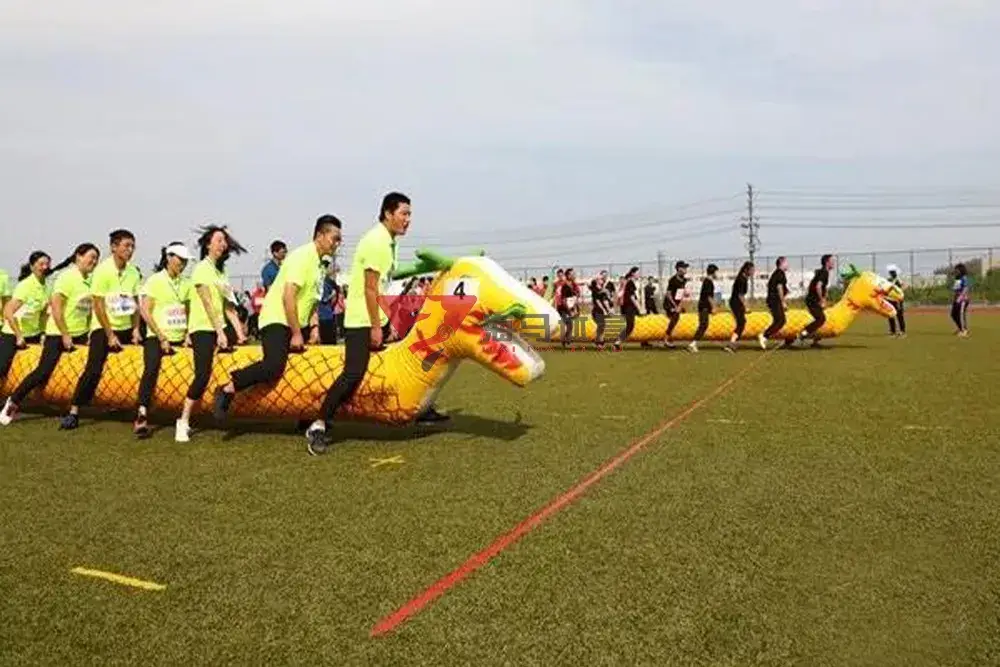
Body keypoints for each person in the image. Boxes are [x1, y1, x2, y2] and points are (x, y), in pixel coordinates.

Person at [306, 193, 409, 454]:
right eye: (404, 214)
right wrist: (375, 327)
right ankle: (318, 424)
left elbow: (382, 287)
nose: (408, 220)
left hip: (374, 316)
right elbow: (370, 289)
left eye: (409, 215)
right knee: (353, 373)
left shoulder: (390, 242)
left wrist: (387, 322)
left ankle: (419, 408)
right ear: (388, 214)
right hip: (361, 319)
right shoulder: (376, 241)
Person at [213, 216, 342, 421]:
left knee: (305, 367)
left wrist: (314, 327)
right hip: (277, 317)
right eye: (335, 238)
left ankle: (305, 416)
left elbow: (313, 298)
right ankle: (228, 388)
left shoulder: (321, 264)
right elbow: (288, 296)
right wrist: (297, 334)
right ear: (320, 235)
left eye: (339, 239)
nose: (337, 244)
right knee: (274, 366)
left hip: (298, 321)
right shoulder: (302, 257)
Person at [1, 244, 100, 426]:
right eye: (91, 257)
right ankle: (13, 401)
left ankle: (74, 406)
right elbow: (56, 309)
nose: (94, 261)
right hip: (57, 333)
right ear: (78, 257)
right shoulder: (65, 278)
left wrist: (89, 333)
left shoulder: (89, 280)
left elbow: (86, 310)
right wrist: (64, 334)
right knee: (43, 371)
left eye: (96, 259)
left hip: (78, 333)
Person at [59, 229, 142, 430]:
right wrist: (110, 335)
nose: (130, 250)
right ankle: (74, 411)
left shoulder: (133, 272)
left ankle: (130, 407)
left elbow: (135, 302)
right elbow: (98, 305)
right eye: (126, 246)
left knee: (133, 365)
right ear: (114, 247)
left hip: (125, 326)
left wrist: (136, 329)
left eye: (133, 246)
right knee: (93, 368)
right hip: (104, 328)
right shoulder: (102, 271)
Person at [175, 225, 246, 443]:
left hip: (219, 326)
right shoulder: (201, 269)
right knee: (202, 374)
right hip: (203, 327)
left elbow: (228, 306)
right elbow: (207, 303)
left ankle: (223, 396)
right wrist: (220, 332)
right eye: (218, 240)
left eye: (224, 241)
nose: (223, 245)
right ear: (208, 244)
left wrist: (239, 332)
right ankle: (183, 421)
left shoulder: (221, 272)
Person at [133, 242, 192, 439]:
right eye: (180, 259)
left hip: (180, 338)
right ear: (169, 258)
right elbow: (145, 311)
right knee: (151, 369)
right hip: (157, 337)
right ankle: (142, 413)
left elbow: (189, 310)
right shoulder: (155, 281)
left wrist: (188, 334)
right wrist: (161, 337)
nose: (183, 264)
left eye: (185, 261)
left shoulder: (186, 283)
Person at [0, 251, 53, 381]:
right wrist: (18, 336)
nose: (45, 267)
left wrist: (44, 333)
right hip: (13, 333)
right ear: (32, 266)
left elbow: (42, 314)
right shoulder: (25, 286)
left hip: (33, 333)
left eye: (47, 264)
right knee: (2, 367)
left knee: (35, 368)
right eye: (41, 264)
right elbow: (8, 311)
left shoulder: (47, 287)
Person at [799, 254, 834, 346]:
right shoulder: (824, 272)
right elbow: (818, 286)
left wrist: (824, 298)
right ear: (827, 262)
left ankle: (815, 341)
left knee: (822, 320)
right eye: (832, 261)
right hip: (812, 301)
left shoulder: (823, 272)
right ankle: (803, 333)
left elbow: (820, 287)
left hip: (814, 300)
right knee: (821, 319)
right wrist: (821, 300)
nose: (833, 263)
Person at [760, 256, 789, 349]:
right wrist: (783, 302)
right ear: (781, 263)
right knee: (781, 321)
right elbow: (779, 287)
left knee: (779, 320)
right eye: (786, 263)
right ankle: (764, 335)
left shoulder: (776, 273)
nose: (788, 265)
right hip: (775, 301)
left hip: (772, 300)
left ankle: (785, 339)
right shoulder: (780, 273)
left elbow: (771, 285)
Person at [688, 264, 718, 353]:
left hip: (704, 306)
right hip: (704, 307)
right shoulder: (708, 282)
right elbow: (709, 296)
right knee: (703, 325)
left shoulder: (707, 281)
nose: (716, 274)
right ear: (713, 272)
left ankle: (693, 343)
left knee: (704, 325)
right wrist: (714, 307)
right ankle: (692, 344)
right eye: (716, 272)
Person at [726, 261, 754, 352]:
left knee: (742, 323)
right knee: (741, 322)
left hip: (737, 302)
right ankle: (731, 343)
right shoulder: (742, 279)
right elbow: (740, 295)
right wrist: (746, 306)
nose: (753, 272)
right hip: (735, 303)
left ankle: (733, 342)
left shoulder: (743, 278)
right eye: (751, 270)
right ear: (746, 270)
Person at [661, 261, 689, 348]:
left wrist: (681, 303)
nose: (686, 269)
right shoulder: (672, 280)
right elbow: (668, 294)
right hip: (669, 303)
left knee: (679, 315)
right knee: (675, 316)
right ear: (679, 269)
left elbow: (681, 293)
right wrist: (675, 306)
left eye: (686, 268)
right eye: (684, 268)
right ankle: (666, 339)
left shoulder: (684, 280)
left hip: (677, 302)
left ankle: (670, 339)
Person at [613, 266, 640, 351]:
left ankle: (618, 342)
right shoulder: (630, 282)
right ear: (633, 273)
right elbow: (632, 297)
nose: (639, 275)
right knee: (630, 326)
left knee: (630, 325)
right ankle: (617, 342)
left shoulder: (625, 281)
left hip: (624, 307)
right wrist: (639, 308)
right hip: (629, 307)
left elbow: (620, 294)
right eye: (638, 273)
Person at [589, 270, 614, 350]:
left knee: (602, 326)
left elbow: (605, 300)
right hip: (597, 310)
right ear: (597, 281)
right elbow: (597, 301)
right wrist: (604, 310)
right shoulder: (595, 290)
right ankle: (600, 343)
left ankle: (598, 341)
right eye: (600, 279)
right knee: (601, 325)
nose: (602, 280)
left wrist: (609, 310)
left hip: (601, 310)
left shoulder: (602, 289)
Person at [317, 260, 340, 344]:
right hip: (324, 316)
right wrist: (332, 295)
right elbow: (323, 299)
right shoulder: (324, 282)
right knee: (328, 341)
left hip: (328, 314)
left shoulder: (329, 282)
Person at [557, 267, 579, 348]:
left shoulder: (574, 284)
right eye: (573, 274)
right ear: (568, 275)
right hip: (563, 308)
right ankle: (567, 341)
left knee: (570, 325)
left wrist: (575, 308)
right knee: (569, 324)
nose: (574, 275)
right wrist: (569, 311)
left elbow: (576, 296)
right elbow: (564, 300)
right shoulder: (565, 286)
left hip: (570, 307)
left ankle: (565, 340)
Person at [886, 264, 906, 337]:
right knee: (890, 315)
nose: (892, 273)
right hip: (890, 299)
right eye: (891, 272)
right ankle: (892, 331)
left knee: (899, 315)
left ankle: (902, 331)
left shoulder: (898, 280)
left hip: (897, 300)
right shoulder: (888, 280)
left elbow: (904, 286)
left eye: (893, 272)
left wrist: (899, 292)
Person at [951, 263, 970, 337]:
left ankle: (964, 331)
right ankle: (960, 328)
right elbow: (956, 289)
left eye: (957, 270)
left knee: (961, 314)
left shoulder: (964, 278)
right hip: (956, 299)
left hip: (963, 300)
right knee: (953, 314)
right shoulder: (957, 278)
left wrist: (960, 297)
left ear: (961, 270)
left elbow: (966, 288)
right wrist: (954, 298)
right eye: (955, 270)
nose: (955, 271)